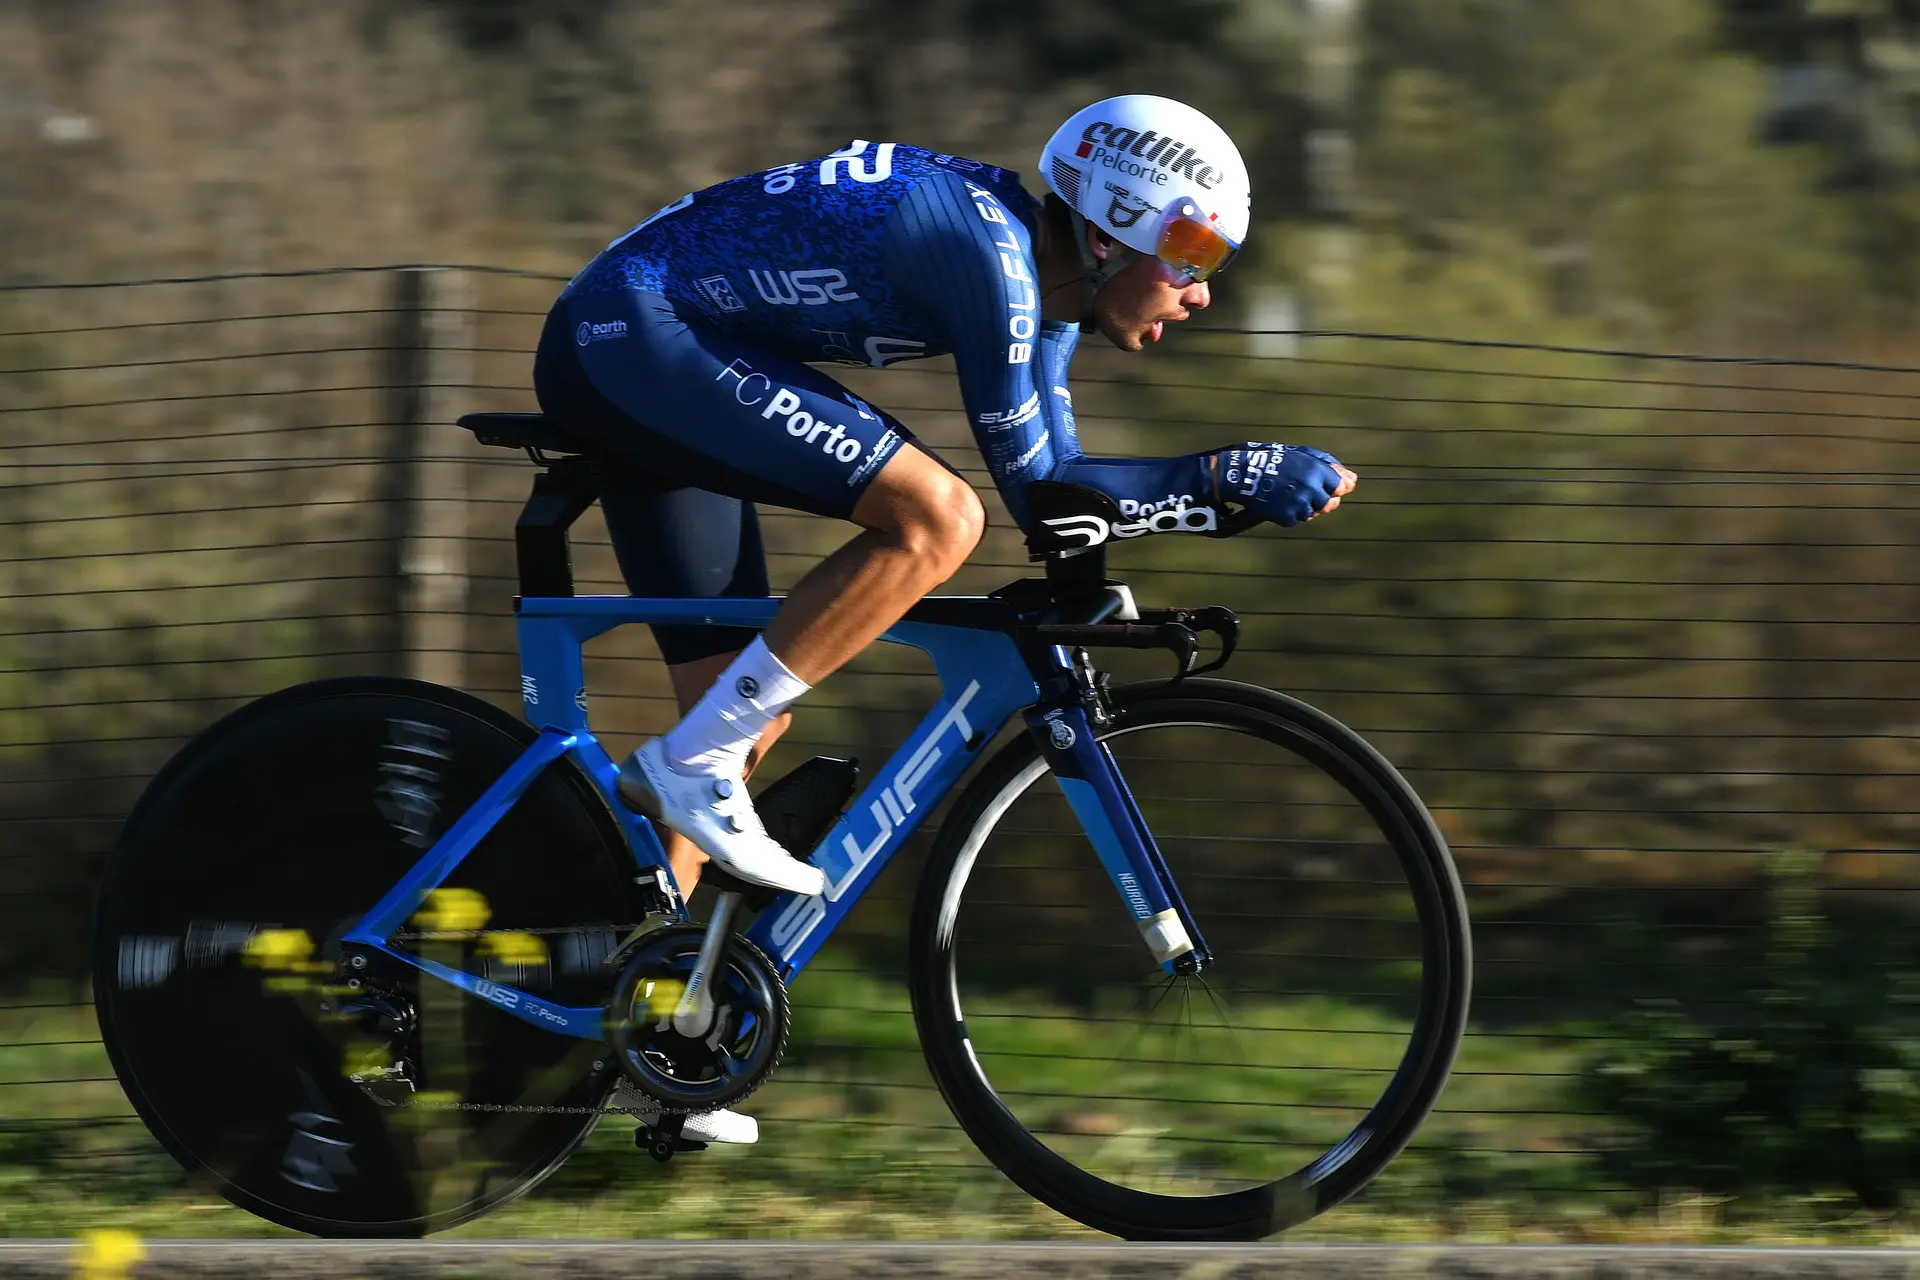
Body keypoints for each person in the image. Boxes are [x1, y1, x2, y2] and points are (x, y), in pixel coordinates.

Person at [533, 95, 1357, 1145]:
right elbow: (1037, 490)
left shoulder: (1043, 297)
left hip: (655, 340)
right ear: (1110, 228)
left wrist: (1187, 511)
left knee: (736, 715)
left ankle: (641, 1038)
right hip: (634, 331)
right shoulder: (987, 251)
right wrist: (1222, 473)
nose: (1200, 291)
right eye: (1193, 252)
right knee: (934, 516)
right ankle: (692, 777)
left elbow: (1059, 507)